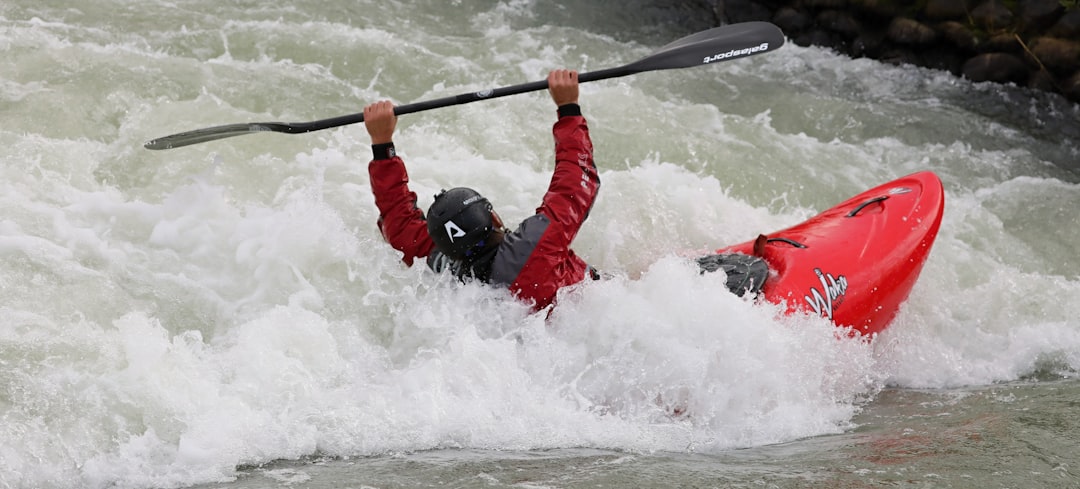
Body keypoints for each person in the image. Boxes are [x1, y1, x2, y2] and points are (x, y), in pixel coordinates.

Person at [364, 69, 601, 311]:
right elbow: (576, 180)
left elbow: (399, 226)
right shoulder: (534, 247)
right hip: (595, 311)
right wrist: (568, 107)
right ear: (494, 217)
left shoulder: (447, 273)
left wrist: (381, 144)